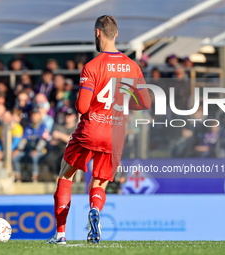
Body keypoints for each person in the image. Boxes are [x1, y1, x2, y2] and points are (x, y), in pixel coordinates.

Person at [47, 15, 151, 245]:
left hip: (91, 128)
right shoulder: (133, 66)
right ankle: (95, 211)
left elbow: (83, 106)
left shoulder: (92, 67)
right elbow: (145, 102)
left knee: (65, 176)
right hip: (115, 133)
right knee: (99, 181)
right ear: (116, 34)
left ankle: (61, 235)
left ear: (97, 33)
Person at [12, 108, 48, 182]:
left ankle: (34, 177)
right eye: (32, 115)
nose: (33, 116)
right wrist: (18, 149)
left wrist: (36, 150)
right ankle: (17, 177)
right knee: (15, 156)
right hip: (28, 150)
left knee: (34, 156)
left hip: (41, 150)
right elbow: (23, 140)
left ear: (39, 116)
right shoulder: (28, 127)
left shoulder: (43, 127)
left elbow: (43, 141)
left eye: (35, 114)